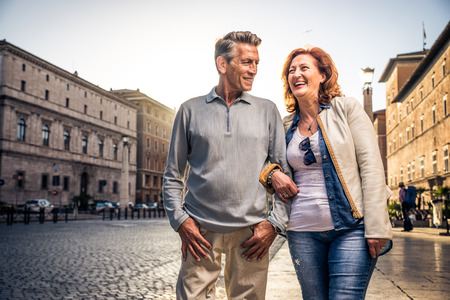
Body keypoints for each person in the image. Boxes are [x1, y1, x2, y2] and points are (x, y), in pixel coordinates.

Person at [163, 31, 291, 300]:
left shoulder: (268, 110)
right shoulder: (189, 110)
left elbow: (283, 173)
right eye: (247, 62)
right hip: (199, 230)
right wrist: (180, 221)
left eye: (256, 63)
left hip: (252, 233)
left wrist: (274, 224)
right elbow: (173, 174)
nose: (254, 70)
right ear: (223, 64)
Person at [260, 46, 393, 299]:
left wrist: (377, 226)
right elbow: (261, 159)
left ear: (323, 75)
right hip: (302, 231)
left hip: (352, 227)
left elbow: (372, 166)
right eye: (291, 70)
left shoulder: (347, 109)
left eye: (304, 68)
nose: (296, 74)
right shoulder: (284, 125)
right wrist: (272, 174)